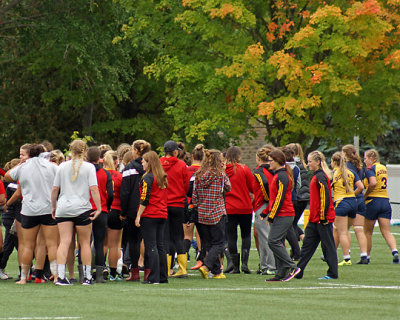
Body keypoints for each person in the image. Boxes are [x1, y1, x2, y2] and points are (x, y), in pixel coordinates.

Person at [5, 144, 59, 285]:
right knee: (51, 244)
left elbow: (6, 176)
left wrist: (20, 164)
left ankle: (23, 277)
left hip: (29, 210)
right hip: (48, 208)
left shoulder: (23, 167)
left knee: (28, 245)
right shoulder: (52, 166)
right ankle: (56, 276)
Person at [51, 139, 102, 285]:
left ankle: (60, 276)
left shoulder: (62, 166)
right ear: (84, 151)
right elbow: (93, 188)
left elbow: (55, 189)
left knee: (64, 242)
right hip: (82, 208)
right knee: (85, 243)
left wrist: (53, 207)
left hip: (64, 207)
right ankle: (87, 277)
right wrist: (98, 208)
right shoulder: (89, 167)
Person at [296, 151, 338, 280]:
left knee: (328, 246)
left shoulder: (320, 177)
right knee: (307, 245)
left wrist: (323, 216)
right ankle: (298, 271)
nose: (308, 164)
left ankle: (332, 273)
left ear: (318, 162)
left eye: (310, 161)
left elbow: (325, 197)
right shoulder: (316, 176)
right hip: (314, 219)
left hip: (321, 219)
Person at [260, 149, 300, 282]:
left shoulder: (282, 176)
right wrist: (266, 212)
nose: (269, 163)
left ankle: (291, 266)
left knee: (273, 241)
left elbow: (280, 198)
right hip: (281, 214)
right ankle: (281, 273)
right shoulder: (278, 175)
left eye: (271, 160)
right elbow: (274, 198)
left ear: (277, 161)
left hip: (285, 214)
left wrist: (271, 215)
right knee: (278, 241)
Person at [192, 149, 231, 279]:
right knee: (219, 243)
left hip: (202, 212)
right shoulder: (220, 175)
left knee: (208, 243)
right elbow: (228, 188)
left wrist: (198, 207)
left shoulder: (198, 174)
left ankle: (216, 272)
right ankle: (207, 265)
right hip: (217, 212)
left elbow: (194, 196)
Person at [135, 151, 169, 284]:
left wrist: (138, 215)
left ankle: (153, 277)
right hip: (162, 213)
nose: (142, 163)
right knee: (160, 246)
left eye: (143, 161)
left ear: (149, 163)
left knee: (151, 246)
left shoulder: (147, 178)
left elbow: (144, 199)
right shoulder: (162, 177)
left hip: (150, 214)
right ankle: (162, 276)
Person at [120, 140, 151, 281]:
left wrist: (123, 211)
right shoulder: (154, 167)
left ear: (137, 151)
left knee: (133, 241)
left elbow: (125, 192)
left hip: (133, 209)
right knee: (150, 240)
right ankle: (149, 271)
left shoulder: (129, 168)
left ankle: (135, 272)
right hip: (151, 208)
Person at [363, 149, 398, 264]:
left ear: (371, 159)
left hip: (373, 200)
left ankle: (366, 257)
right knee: (386, 231)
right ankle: (395, 251)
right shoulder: (383, 168)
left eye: (365, 158)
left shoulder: (370, 169)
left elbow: (372, 183)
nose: (364, 161)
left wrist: (365, 195)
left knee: (367, 232)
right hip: (385, 201)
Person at [160, 140, 189, 278]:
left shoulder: (159, 163)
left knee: (166, 237)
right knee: (179, 236)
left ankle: (166, 269)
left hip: (163, 204)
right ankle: (182, 268)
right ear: (176, 152)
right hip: (177, 204)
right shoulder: (182, 164)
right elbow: (186, 185)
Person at [224, 146, 254, 274]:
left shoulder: (223, 170)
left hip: (229, 207)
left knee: (231, 237)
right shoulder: (244, 169)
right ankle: (245, 264)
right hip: (245, 206)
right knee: (246, 235)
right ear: (238, 156)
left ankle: (234, 266)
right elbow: (253, 187)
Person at [331, 152, 363, 266]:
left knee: (342, 232)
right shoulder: (351, 172)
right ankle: (344, 254)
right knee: (345, 230)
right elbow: (361, 187)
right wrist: (352, 194)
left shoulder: (334, 173)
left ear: (334, 162)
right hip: (353, 202)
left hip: (342, 203)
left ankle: (346, 258)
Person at [87, 146, 114, 283]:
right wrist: (106, 207)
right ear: (99, 158)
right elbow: (111, 194)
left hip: (86, 209)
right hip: (101, 209)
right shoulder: (105, 174)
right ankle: (99, 271)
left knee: (84, 242)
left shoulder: (84, 172)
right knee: (99, 242)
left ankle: (84, 272)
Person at [342, 144, 368, 264]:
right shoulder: (359, 166)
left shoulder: (345, 167)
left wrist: (351, 194)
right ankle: (364, 256)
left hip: (350, 199)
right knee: (359, 228)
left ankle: (347, 256)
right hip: (360, 200)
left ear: (345, 154)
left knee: (344, 229)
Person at [252, 145, 276, 276]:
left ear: (258, 158)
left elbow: (264, 185)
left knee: (266, 237)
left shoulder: (260, 172)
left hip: (263, 205)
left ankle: (271, 265)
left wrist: (267, 200)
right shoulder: (273, 171)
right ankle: (264, 265)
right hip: (269, 205)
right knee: (263, 237)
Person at [103, 151, 124, 281]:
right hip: (116, 210)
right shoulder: (119, 176)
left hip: (103, 210)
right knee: (114, 245)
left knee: (102, 243)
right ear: (116, 162)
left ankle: (100, 268)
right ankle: (112, 273)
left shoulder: (99, 174)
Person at [186, 144, 205, 270]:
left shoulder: (186, 169)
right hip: (202, 204)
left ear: (192, 156)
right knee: (201, 234)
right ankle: (201, 257)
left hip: (188, 203)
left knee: (187, 234)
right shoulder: (205, 170)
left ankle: (182, 259)